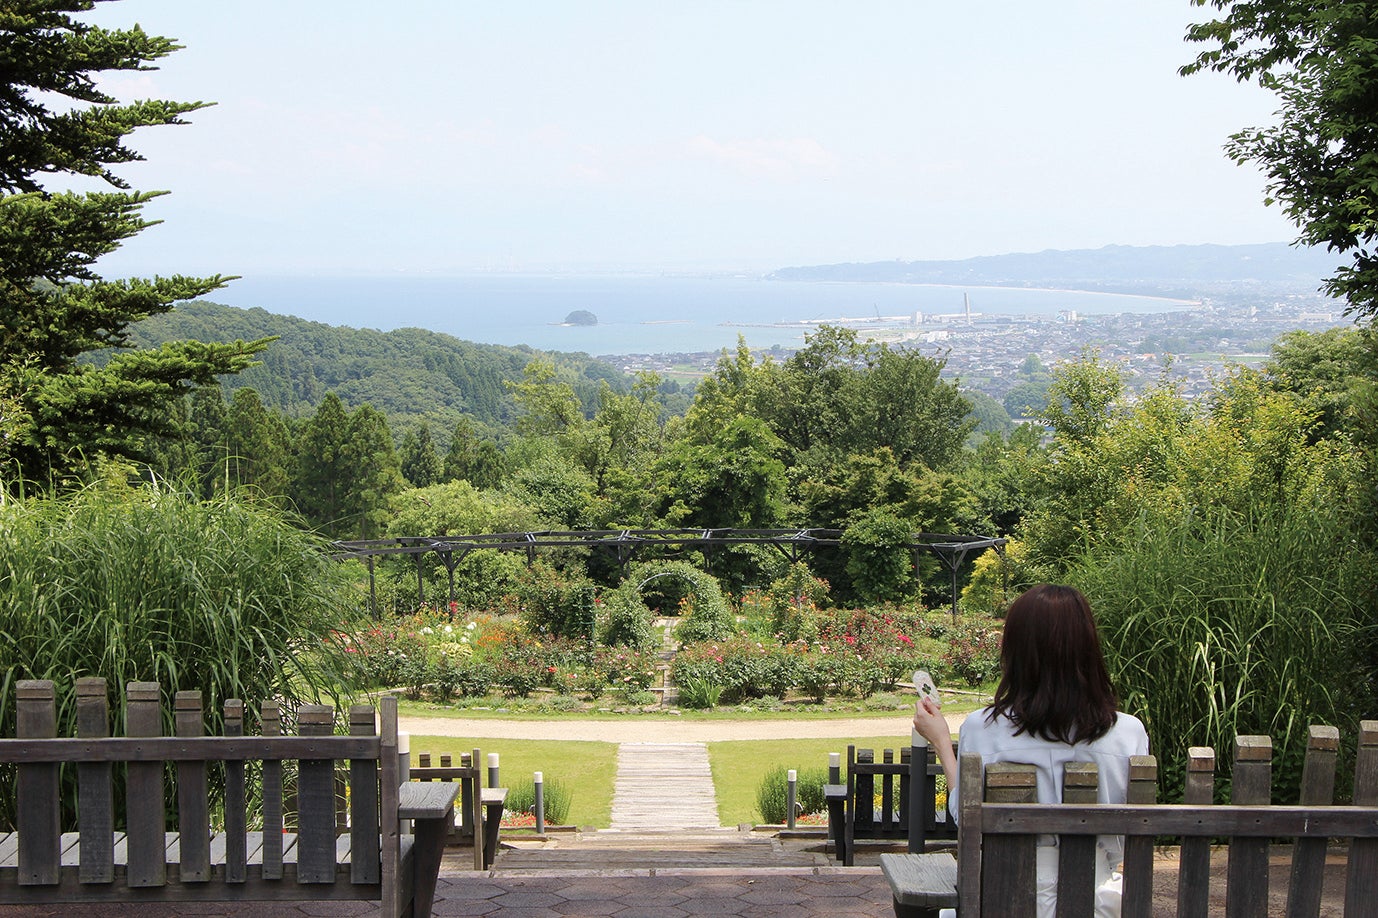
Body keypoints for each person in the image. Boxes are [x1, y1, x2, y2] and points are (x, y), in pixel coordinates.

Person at [911, 584, 1149, 918]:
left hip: (1000, 900)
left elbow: (965, 817)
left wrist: (940, 742)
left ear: (1017, 651)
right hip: (1098, 905)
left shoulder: (981, 728)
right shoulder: (1127, 732)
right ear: (1088, 648)